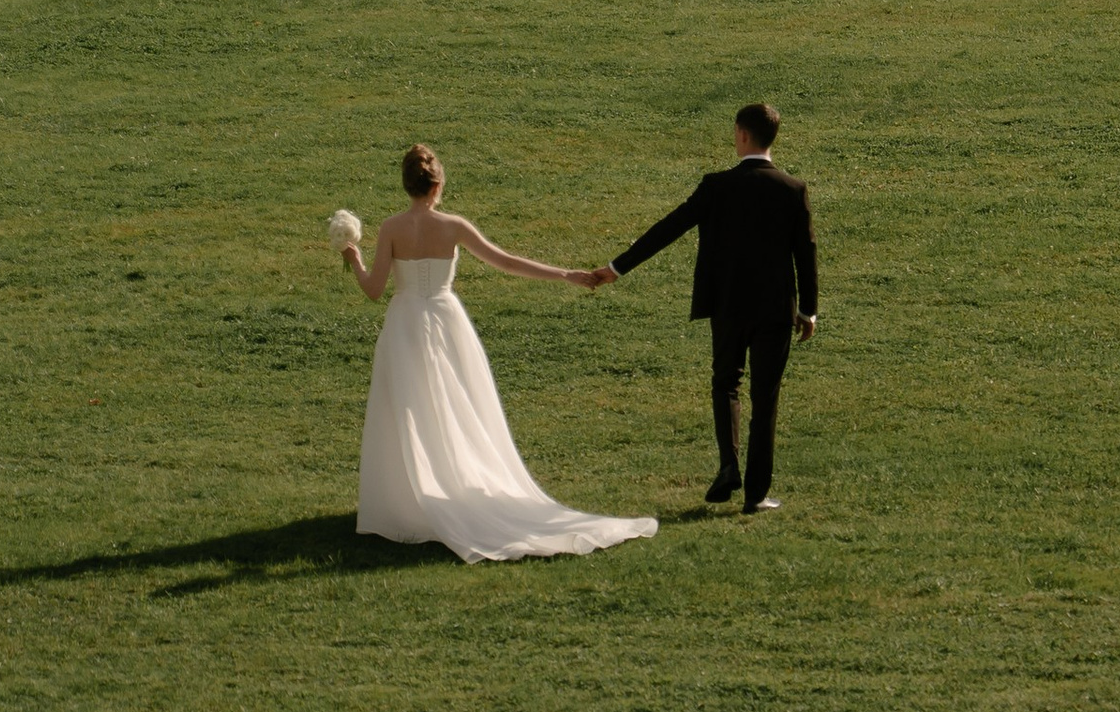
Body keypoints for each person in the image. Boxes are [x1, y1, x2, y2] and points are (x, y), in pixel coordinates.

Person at [340, 146, 654, 564]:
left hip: (405, 324)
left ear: (407, 185)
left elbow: (374, 289)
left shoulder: (391, 228)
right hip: (446, 319)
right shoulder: (453, 226)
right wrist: (566, 274)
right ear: (438, 184)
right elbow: (505, 262)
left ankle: (409, 502)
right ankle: (450, 487)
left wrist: (354, 259)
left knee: (407, 408)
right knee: (456, 405)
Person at [604, 104, 818, 516]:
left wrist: (617, 268)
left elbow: (669, 227)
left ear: (740, 134)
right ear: (772, 138)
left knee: (726, 383)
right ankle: (756, 495)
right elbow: (805, 254)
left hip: (728, 304)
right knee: (765, 397)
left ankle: (728, 465)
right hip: (776, 309)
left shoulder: (716, 186)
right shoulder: (793, 189)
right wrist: (808, 310)